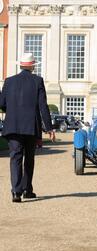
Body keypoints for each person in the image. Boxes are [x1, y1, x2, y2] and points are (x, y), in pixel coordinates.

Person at [0, 53, 55, 203]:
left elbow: (2, 103)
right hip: (31, 126)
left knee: (15, 158)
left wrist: (13, 113)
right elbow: (43, 106)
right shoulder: (37, 81)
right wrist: (49, 128)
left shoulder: (9, 81)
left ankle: (16, 192)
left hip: (13, 126)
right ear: (32, 66)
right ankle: (27, 190)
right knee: (29, 159)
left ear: (21, 65)